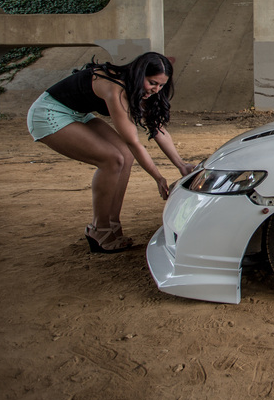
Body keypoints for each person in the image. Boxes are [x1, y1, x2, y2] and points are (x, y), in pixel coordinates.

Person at [26, 52, 195, 253]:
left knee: (125, 156)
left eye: (161, 85)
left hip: (78, 115)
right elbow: (133, 141)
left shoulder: (141, 89)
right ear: (139, 74)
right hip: (48, 113)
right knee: (112, 160)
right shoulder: (115, 88)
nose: (156, 90)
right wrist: (158, 178)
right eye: (152, 83)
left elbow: (156, 128)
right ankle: (99, 228)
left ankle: (112, 223)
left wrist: (181, 164)